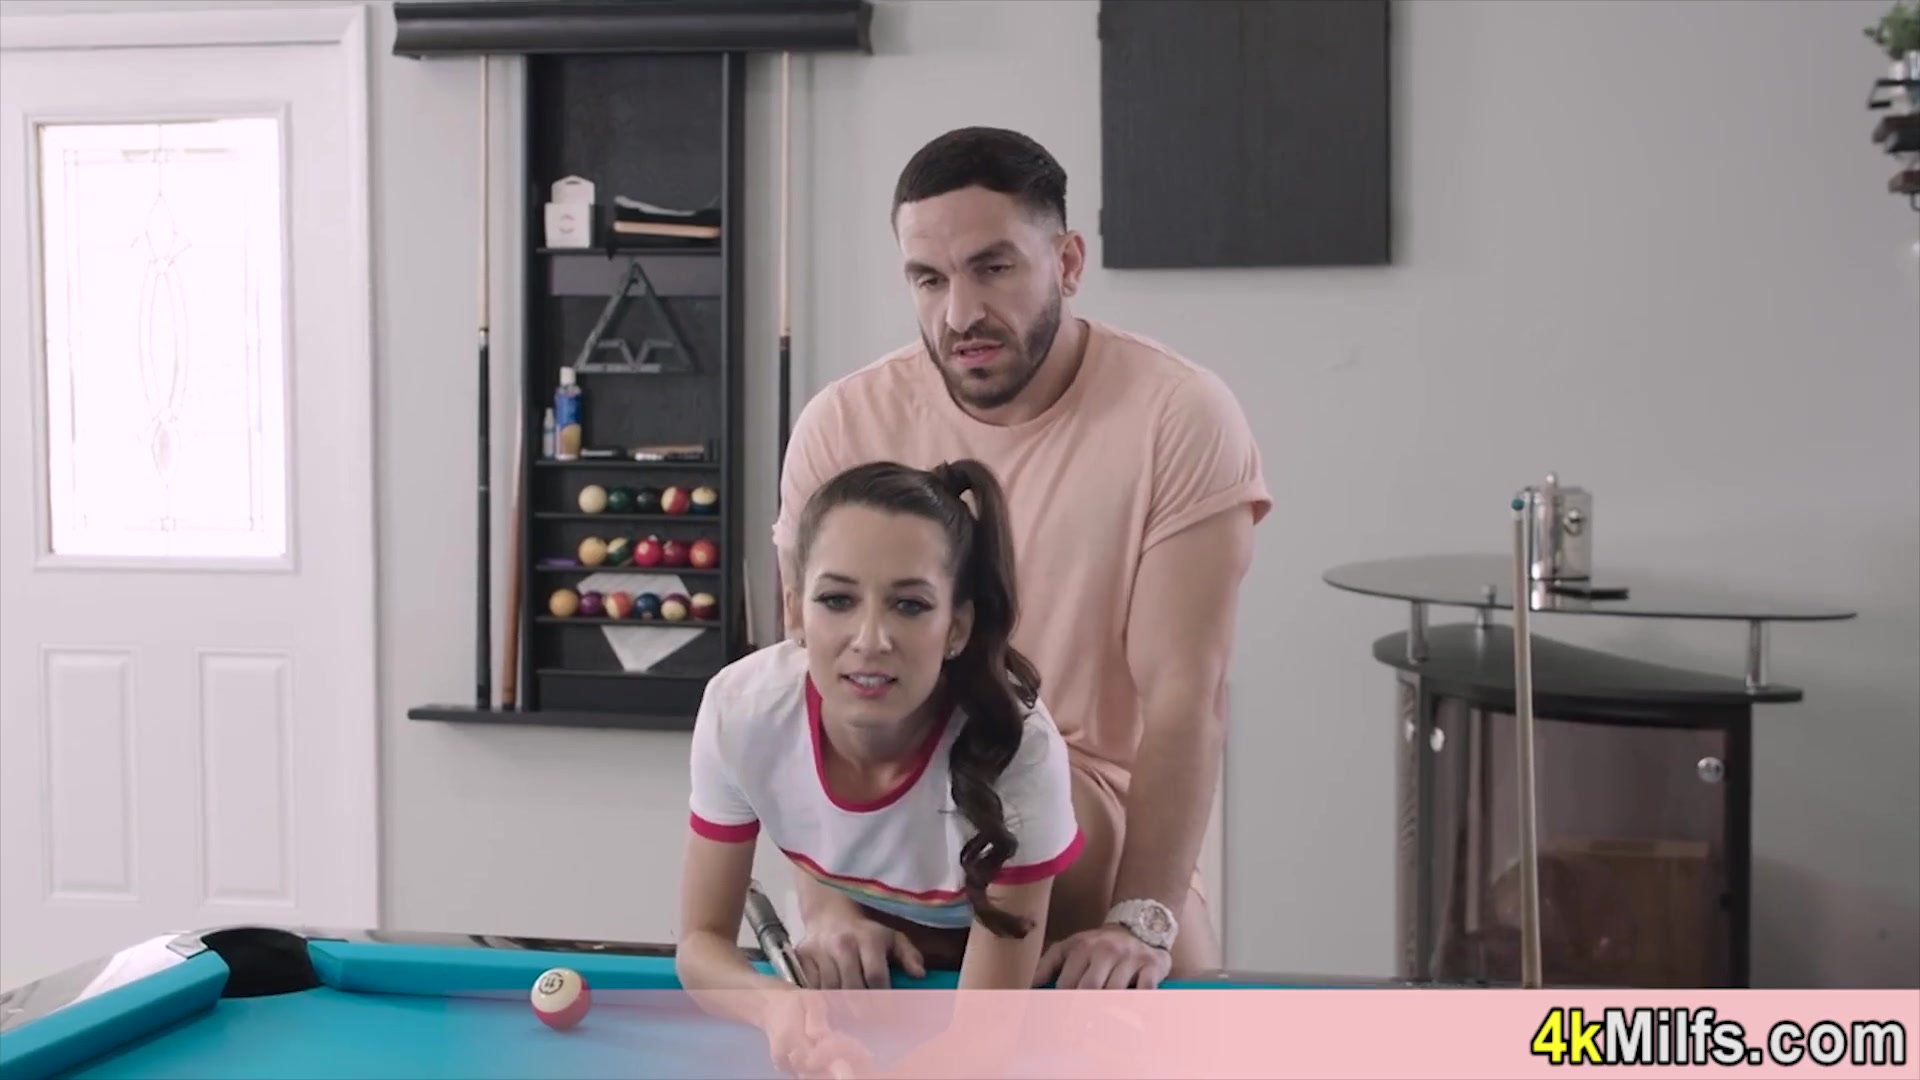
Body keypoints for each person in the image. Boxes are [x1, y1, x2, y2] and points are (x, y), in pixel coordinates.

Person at [773, 126, 1270, 991]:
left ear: (1068, 262)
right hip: (885, 852)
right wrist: (826, 906)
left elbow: (1186, 696)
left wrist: (1141, 920)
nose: (959, 314)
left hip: (1092, 845)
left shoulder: (1179, 415)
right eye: (929, 279)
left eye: (993, 267)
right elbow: (805, 683)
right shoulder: (841, 423)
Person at [677, 458, 1085, 1072]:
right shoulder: (740, 711)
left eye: (910, 605)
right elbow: (700, 942)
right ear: (795, 612)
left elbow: (981, 1042)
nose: (870, 638)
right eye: (837, 599)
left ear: (957, 628)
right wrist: (775, 1006)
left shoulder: (1019, 746)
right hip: (901, 942)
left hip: (1056, 959)